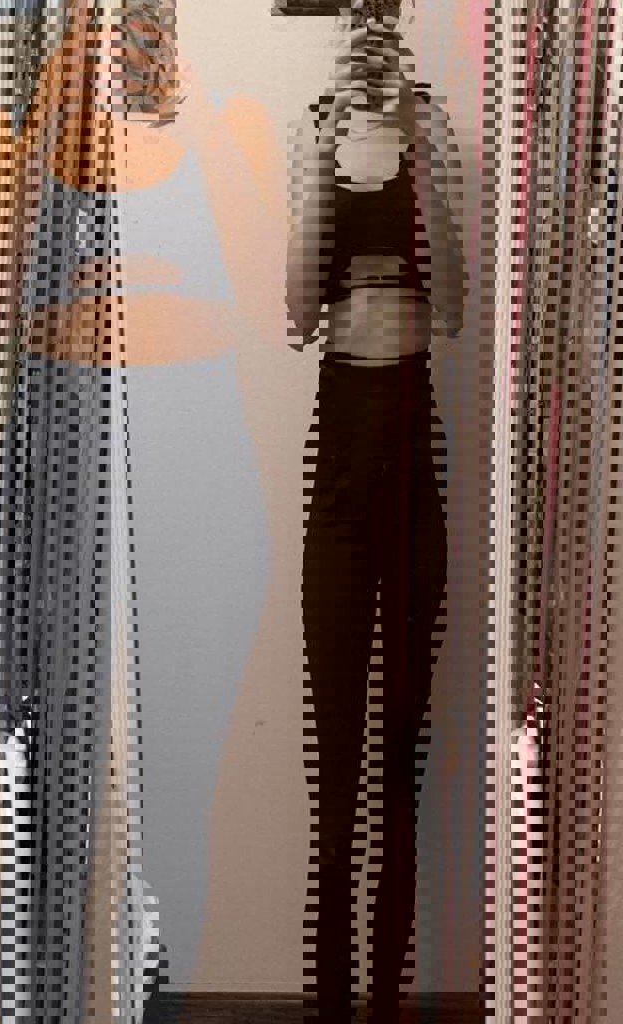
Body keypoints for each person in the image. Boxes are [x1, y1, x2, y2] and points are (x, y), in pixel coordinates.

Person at [285, 1, 467, 1020]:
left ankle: (388, 1000)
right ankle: (328, 998)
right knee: (334, 759)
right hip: (340, 453)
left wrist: (417, 148)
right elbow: (296, 307)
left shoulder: (433, 130)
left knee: (399, 755)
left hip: (412, 444)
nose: (366, 33)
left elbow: (454, 303)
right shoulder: (313, 129)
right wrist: (333, 158)